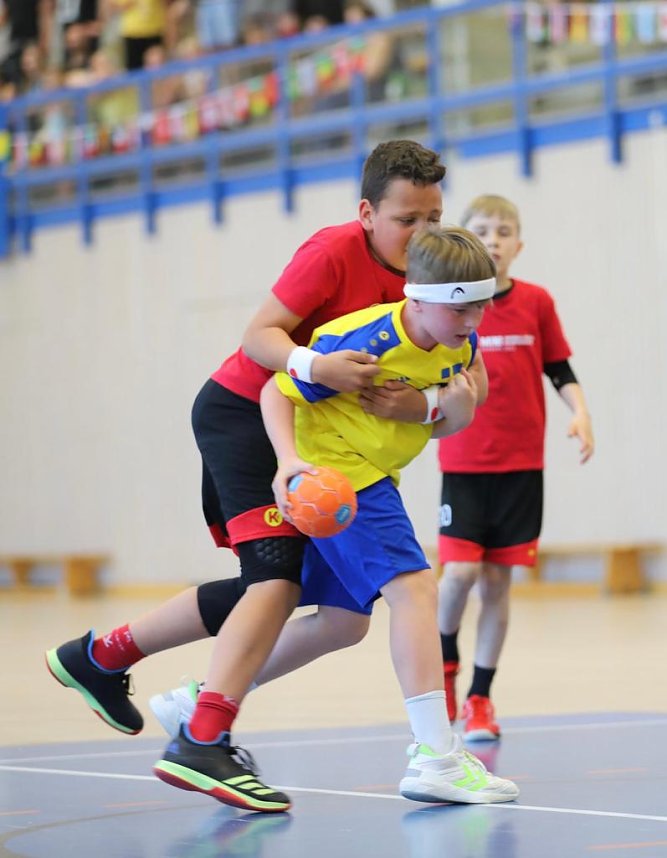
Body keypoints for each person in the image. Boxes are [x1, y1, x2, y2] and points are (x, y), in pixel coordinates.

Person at [45, 140, 448, 813]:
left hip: (319, 440)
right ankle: (202, 738)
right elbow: (259, 334)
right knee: (274, 580)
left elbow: (463, 379)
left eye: (433, 215)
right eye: (407, 219)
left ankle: (102, 655)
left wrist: (426, 405)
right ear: (366, 214)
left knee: (336, 612)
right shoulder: (331, 253)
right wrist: (315, 368)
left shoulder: (432, 271)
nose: (422, 232)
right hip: (246, 416)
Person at [254, 225, 519, 804]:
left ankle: (204, 697)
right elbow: (276, 391)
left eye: (481, 306)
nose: (472, 322)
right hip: (337, 473)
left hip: (378, 475)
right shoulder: (363, 341)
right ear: (416, 294)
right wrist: (289, 463)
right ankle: (435, 755)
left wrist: (440, 408)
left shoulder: (460, 343)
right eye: (460, 310)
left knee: (343, 623)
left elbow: (452, 418)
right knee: (416, 587)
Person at [436, 194, 595, 742]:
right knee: (457, 576)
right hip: (463, 464)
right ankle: (445, 663)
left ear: (518, 245)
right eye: (483, 230)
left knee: (498, 585)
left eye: (505, 231)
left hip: (522, 468)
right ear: (465, 240)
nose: (495, 239)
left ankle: (480, 698)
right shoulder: (452, 308)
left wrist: (581, 413)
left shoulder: (537, 303)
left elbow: (560, 367)